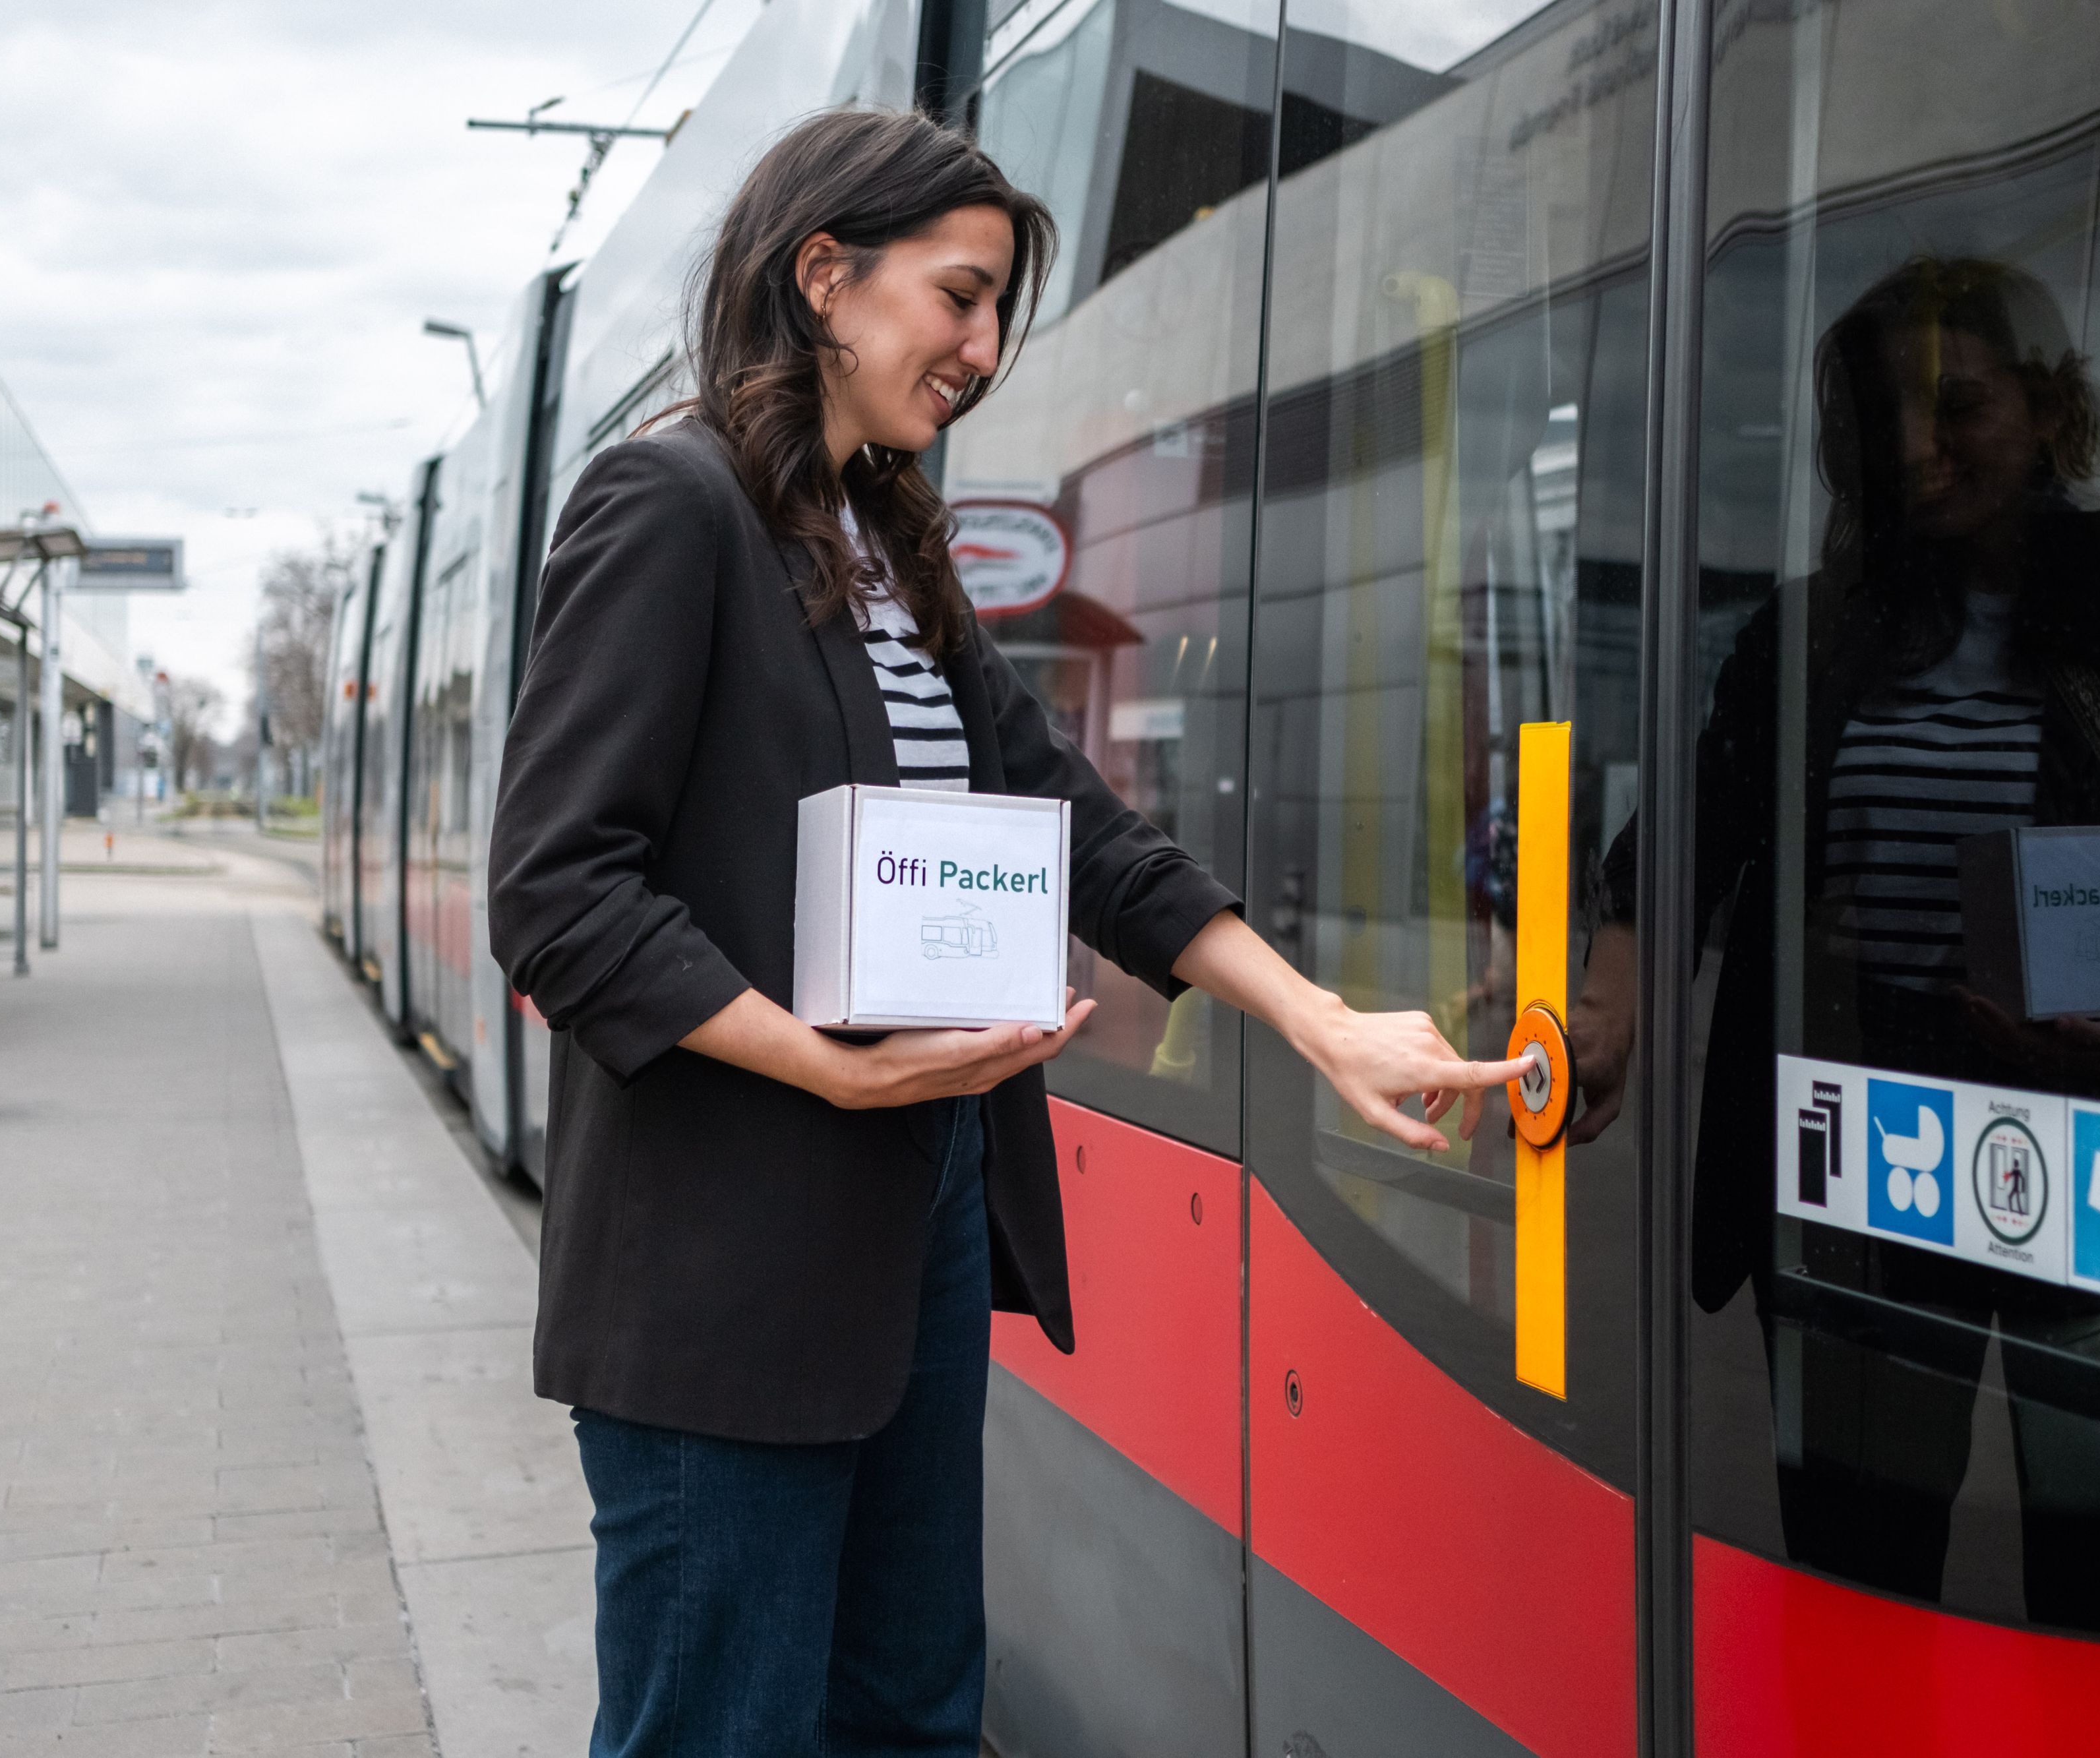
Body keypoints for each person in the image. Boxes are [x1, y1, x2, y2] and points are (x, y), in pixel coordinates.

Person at [485, 108, 1528, 1758]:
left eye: (993, 314)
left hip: (915, 1211)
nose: (981, 349)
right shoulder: (667, 505)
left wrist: (1321, 1023)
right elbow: (556, 893)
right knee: (721, 1727)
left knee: (910, 1714)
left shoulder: (892, 549)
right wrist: (826, 1072)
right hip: (723, 1256)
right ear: (823, 276)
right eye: (957, 297)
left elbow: (1080, 841)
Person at [1570, 257, 2100, 1641]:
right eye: (1881, 418)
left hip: (2088, 1139)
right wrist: (1606, 1004)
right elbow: (1685, 837)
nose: (1914, 448)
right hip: (1862, 1143)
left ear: (2044, 407)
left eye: (1959, 405)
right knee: (1856, 1567)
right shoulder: (1813, 629)